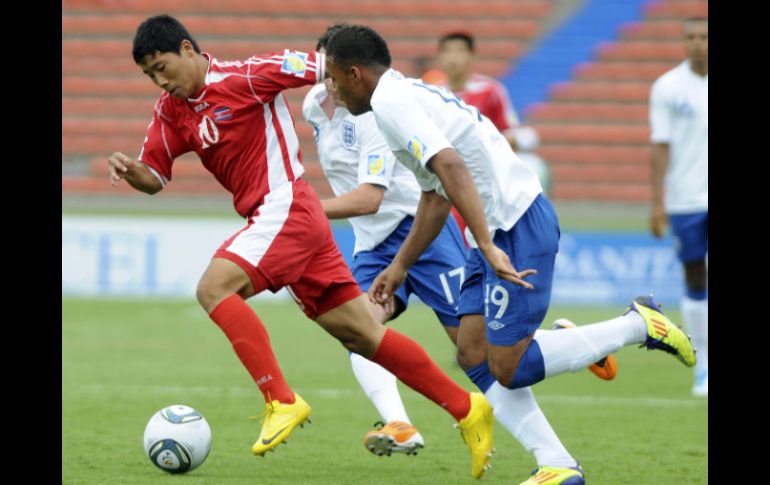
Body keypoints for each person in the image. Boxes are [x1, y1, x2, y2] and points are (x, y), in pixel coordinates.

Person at [106, 15, 497, 478]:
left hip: (285, 207)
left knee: (214, 289)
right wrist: (135, 174)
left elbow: (327, 64)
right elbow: (156, 176)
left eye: (163, 67)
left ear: (188, 49)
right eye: (150, 74)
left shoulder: (247, 76)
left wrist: (390, 98)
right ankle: (467, 409)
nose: (160, 80)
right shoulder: (170, 113)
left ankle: (280, 400)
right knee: (363, 335)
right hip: (285, 221)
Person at [325, 24, 696, 485]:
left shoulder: (391, 103)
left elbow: (452, 166)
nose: (332, 90)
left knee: (508, 366)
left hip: (515, 222)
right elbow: (437, 193)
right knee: (472, 353)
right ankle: (557, 465)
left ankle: (637, 323)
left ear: (354, 73)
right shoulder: (402, 97)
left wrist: (485, 245)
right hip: (498, 225)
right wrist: (399, 267)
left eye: (333, 78)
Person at [436, 31, 552, 238]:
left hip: (484, 188)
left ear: (471, 56)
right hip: (444, 187)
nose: (453, 57)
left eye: (459, 51)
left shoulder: (490, 91)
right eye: (448, 51)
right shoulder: (432, 94)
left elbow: (511, 134)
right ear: (440, 57)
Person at [649, 17, 708, 398]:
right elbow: (660, 145)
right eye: (691, 37)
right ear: (683, 42)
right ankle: (703, 365)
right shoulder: (668, 86)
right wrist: (657, 201)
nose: (698, 43)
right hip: (685, 199)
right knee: (695, 278)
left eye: (704, 37)